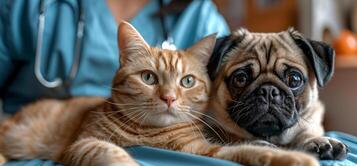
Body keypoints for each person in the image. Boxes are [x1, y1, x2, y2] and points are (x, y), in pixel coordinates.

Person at [0, 0, 232, 166]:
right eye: (149, 76)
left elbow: (230, 96)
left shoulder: (199, 14)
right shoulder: (24, 6)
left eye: (186, 82)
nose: (169, 95)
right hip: (37, 158)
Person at [0, 0, 229, 114]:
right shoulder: (24, 6)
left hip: (157, 156)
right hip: (36, 153)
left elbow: (234, 104)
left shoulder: (199, 16)